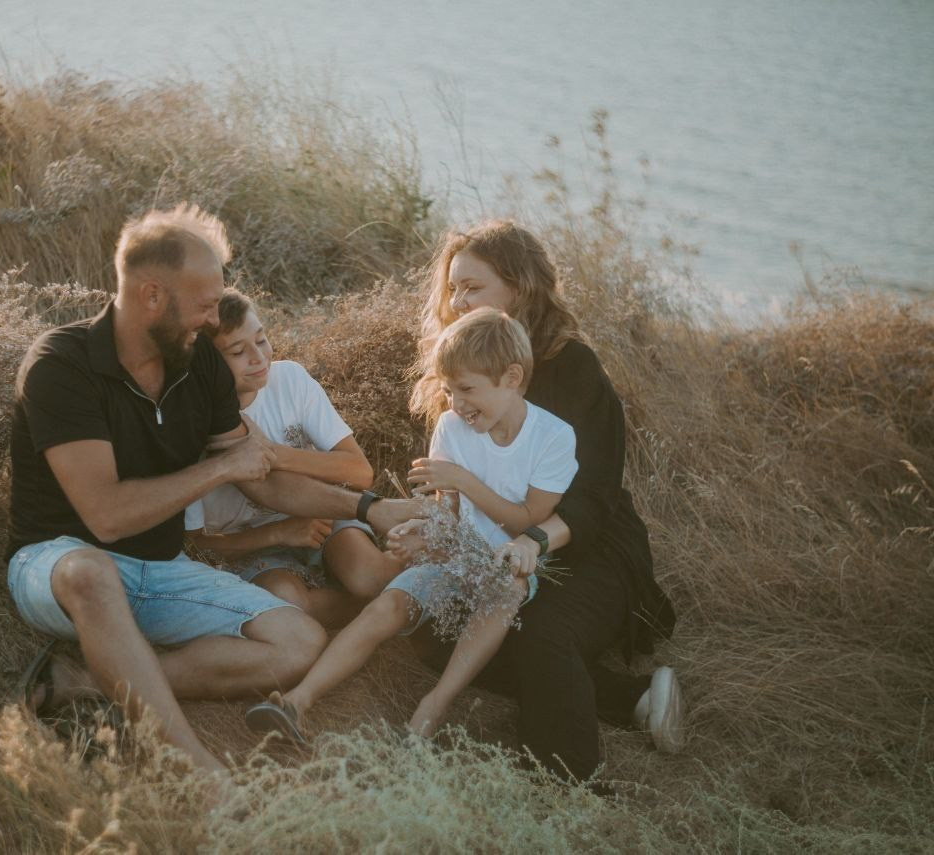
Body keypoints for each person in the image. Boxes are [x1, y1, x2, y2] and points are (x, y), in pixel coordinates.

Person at [5, 204, 421, 773]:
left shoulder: (199, 362)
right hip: (57, 566)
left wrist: (370, 508)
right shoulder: (61, 366)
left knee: (299, 642)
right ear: (153, 296)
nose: (211, 320)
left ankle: (82, 678)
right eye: (203, 305)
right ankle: (200, 772)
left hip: (162, 572)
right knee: (91, 571)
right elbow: (106, 516)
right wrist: (219, 470)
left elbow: (264, 482)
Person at [404, 219, 681, 783]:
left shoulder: (572, 366)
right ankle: (630, 697)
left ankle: (566, 790)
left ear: (520, 287)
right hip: (499, 542)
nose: (458, 301)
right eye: (453, 288)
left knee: (538, 630)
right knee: (434, 628)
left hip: (589, 545)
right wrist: (426, 527)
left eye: (473, 287)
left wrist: (534, 540)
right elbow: (455, 488)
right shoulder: (462, 368)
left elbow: (594, 498)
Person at [245, 308, 577, 744]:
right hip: (457, 549)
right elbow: (448, 511)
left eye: (467, 389)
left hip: (513, 556)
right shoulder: (452, 427)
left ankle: (434, 704)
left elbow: (530, 518)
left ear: (512, 378)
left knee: (507, 587)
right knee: (387, 606)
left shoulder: (553, 436)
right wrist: (423, 533)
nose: (456, 404)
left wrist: (463, 481)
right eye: (449, 391)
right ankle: (295, 702)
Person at [185, 288, 402, 627]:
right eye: (238, 351)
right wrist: (278, 533)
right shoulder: (189, 427)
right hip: (251, 545)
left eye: (261, 339)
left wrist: (276, 455)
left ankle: (394, 587)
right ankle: (379, 608)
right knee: (292, 605)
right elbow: (197, 545)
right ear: (206, 364)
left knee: (369, 578)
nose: (259, 357)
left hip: (323, 511)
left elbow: (359, 471)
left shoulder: (289, 379)